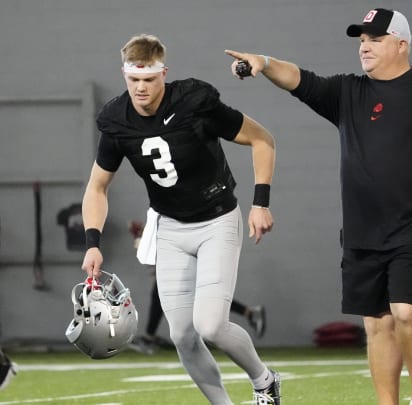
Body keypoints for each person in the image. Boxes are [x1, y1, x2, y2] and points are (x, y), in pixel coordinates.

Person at [226, 8, 412, 405]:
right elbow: (299, 79)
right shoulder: (348, 92)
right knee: (377, 323)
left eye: (375, 39)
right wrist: (263, 64)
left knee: (404, 312)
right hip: (363, 228)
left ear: (402, 44)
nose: (364, 46)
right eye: (362, 40)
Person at [81, 34, 280, 405]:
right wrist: (93, 244)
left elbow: (263, 139)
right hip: (170, 228)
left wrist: (261, 203)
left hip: (217, 220)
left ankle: (264, 380)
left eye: (149, 80)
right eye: (134, 79)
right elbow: (96, 188)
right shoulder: (114, 119)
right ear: (124, 75)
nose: (141, 88)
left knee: (211, 326)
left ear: (163, 74)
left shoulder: (193, 101)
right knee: (182, 337)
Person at [127, 221, 267, 355]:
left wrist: (147, 237)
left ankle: (154, 337)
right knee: (196, 295)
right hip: (192, 247)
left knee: (201, 296)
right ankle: (248, 313)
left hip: (196, 246)